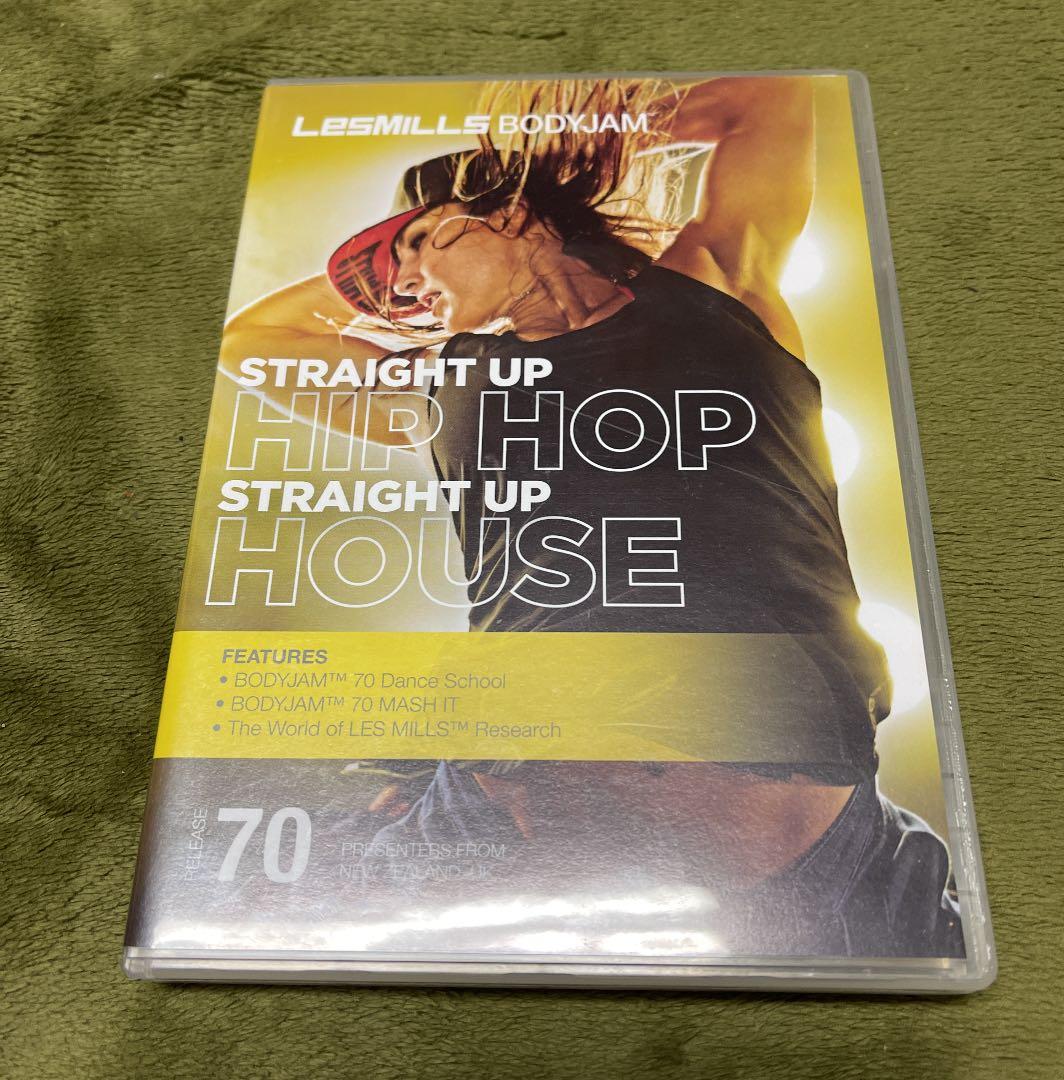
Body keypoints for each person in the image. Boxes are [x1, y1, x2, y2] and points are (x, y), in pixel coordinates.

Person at [221, 77, 963, 957]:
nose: (406, 287)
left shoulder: (717, 287)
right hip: (488, 828)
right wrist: (419, 255)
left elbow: (768, 100)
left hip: (821, 863)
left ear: (506, 212)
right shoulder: (442, 381)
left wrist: (568, 150)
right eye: (394, 283)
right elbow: (252, 344)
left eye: (415, 245)